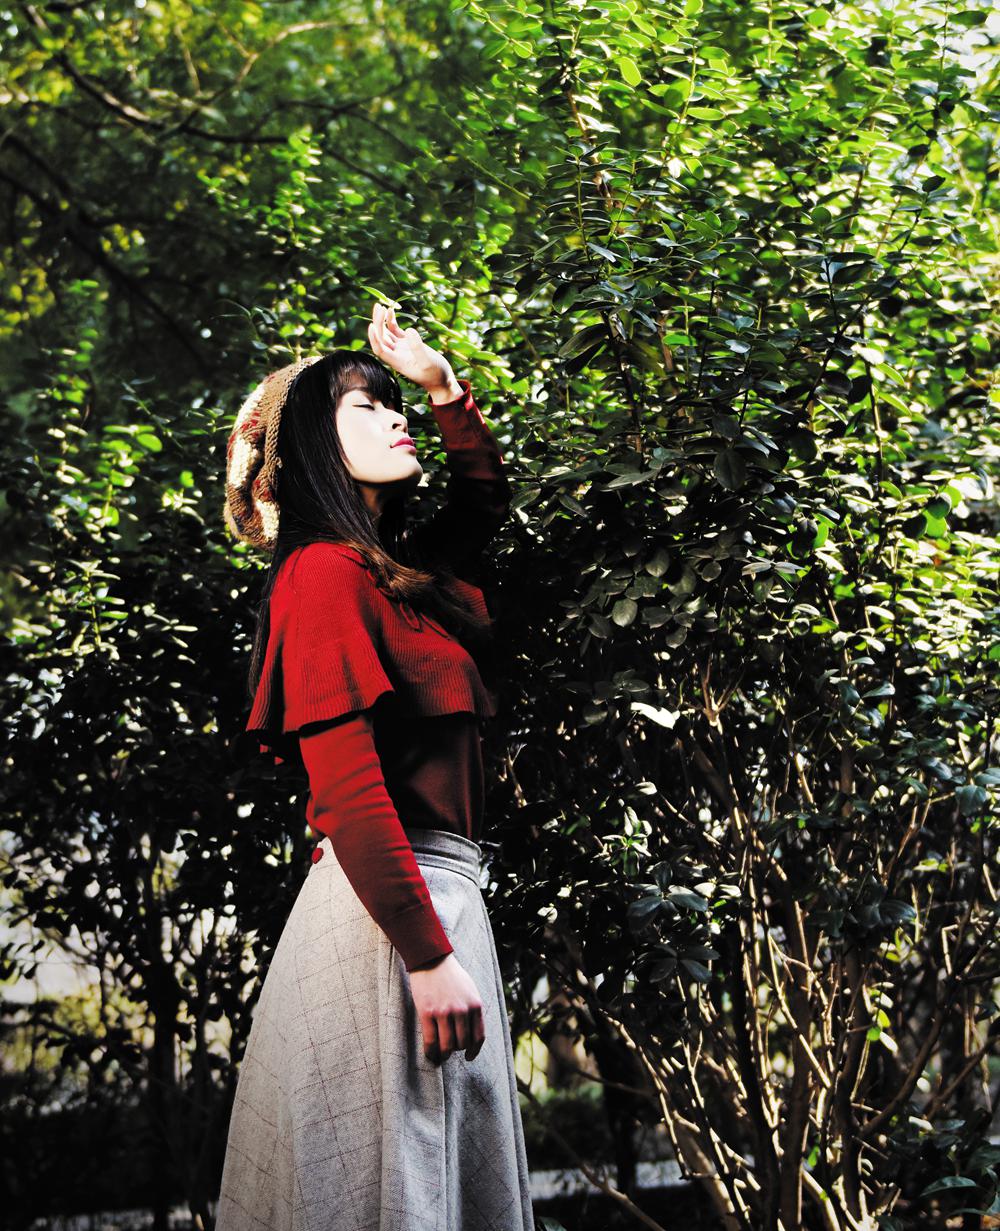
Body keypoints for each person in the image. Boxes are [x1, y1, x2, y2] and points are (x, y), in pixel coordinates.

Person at [215, 301, 535, 1230]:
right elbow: (348, 784)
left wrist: (441, 386)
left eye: (394, 405)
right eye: (367, 406)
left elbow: (482, 504)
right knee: (393, 1192)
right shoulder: (323, 573)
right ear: (312, 446)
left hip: (432, 907)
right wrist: (425, 953)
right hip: (391, 921)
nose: (396, 419)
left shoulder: (393, 573)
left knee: (431, 1188)